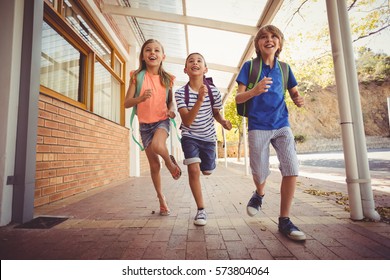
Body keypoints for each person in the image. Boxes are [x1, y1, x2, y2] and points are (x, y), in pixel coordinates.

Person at [235, 25, 306, 241]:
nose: (269, 39)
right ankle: (259, 193)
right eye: (264, 37)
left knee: (292, 168)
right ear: (258, 44)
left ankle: (284, 219)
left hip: (282, 123)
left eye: (274, 36)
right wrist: (254, 90)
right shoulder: (250, 67)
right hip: (258, 125)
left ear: (280, 43)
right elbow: (238, 98)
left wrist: (297, 99)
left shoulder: (285, 68)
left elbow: (293, 91)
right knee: (259, 172)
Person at [124, 39, 181, 216]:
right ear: (143, 55)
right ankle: (161, 199)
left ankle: (170, 164)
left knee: (158, 146)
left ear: (162, 56)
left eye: (157, 50)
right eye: (148, 50)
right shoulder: (136, 76)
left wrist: (172, 111)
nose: (152, 53)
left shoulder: (167, 79)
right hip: (144, 125)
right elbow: (127, 102)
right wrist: (140, 99)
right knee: (154, 165)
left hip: (161, 121)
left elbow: (170, 101)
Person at [175, 53, 232, 226]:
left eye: (199, 61)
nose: (195, 63)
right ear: (186, 69)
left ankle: (207, 166)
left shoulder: (214, 91)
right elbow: (187, 121)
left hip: (208, 138)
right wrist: (199, 100)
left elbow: (215, 113)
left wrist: (222, 121)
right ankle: (201, 210)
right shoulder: (180, 93)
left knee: (206, 171)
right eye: (191, 61)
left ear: (205, 69)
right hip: (189, 136)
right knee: (193, 171)